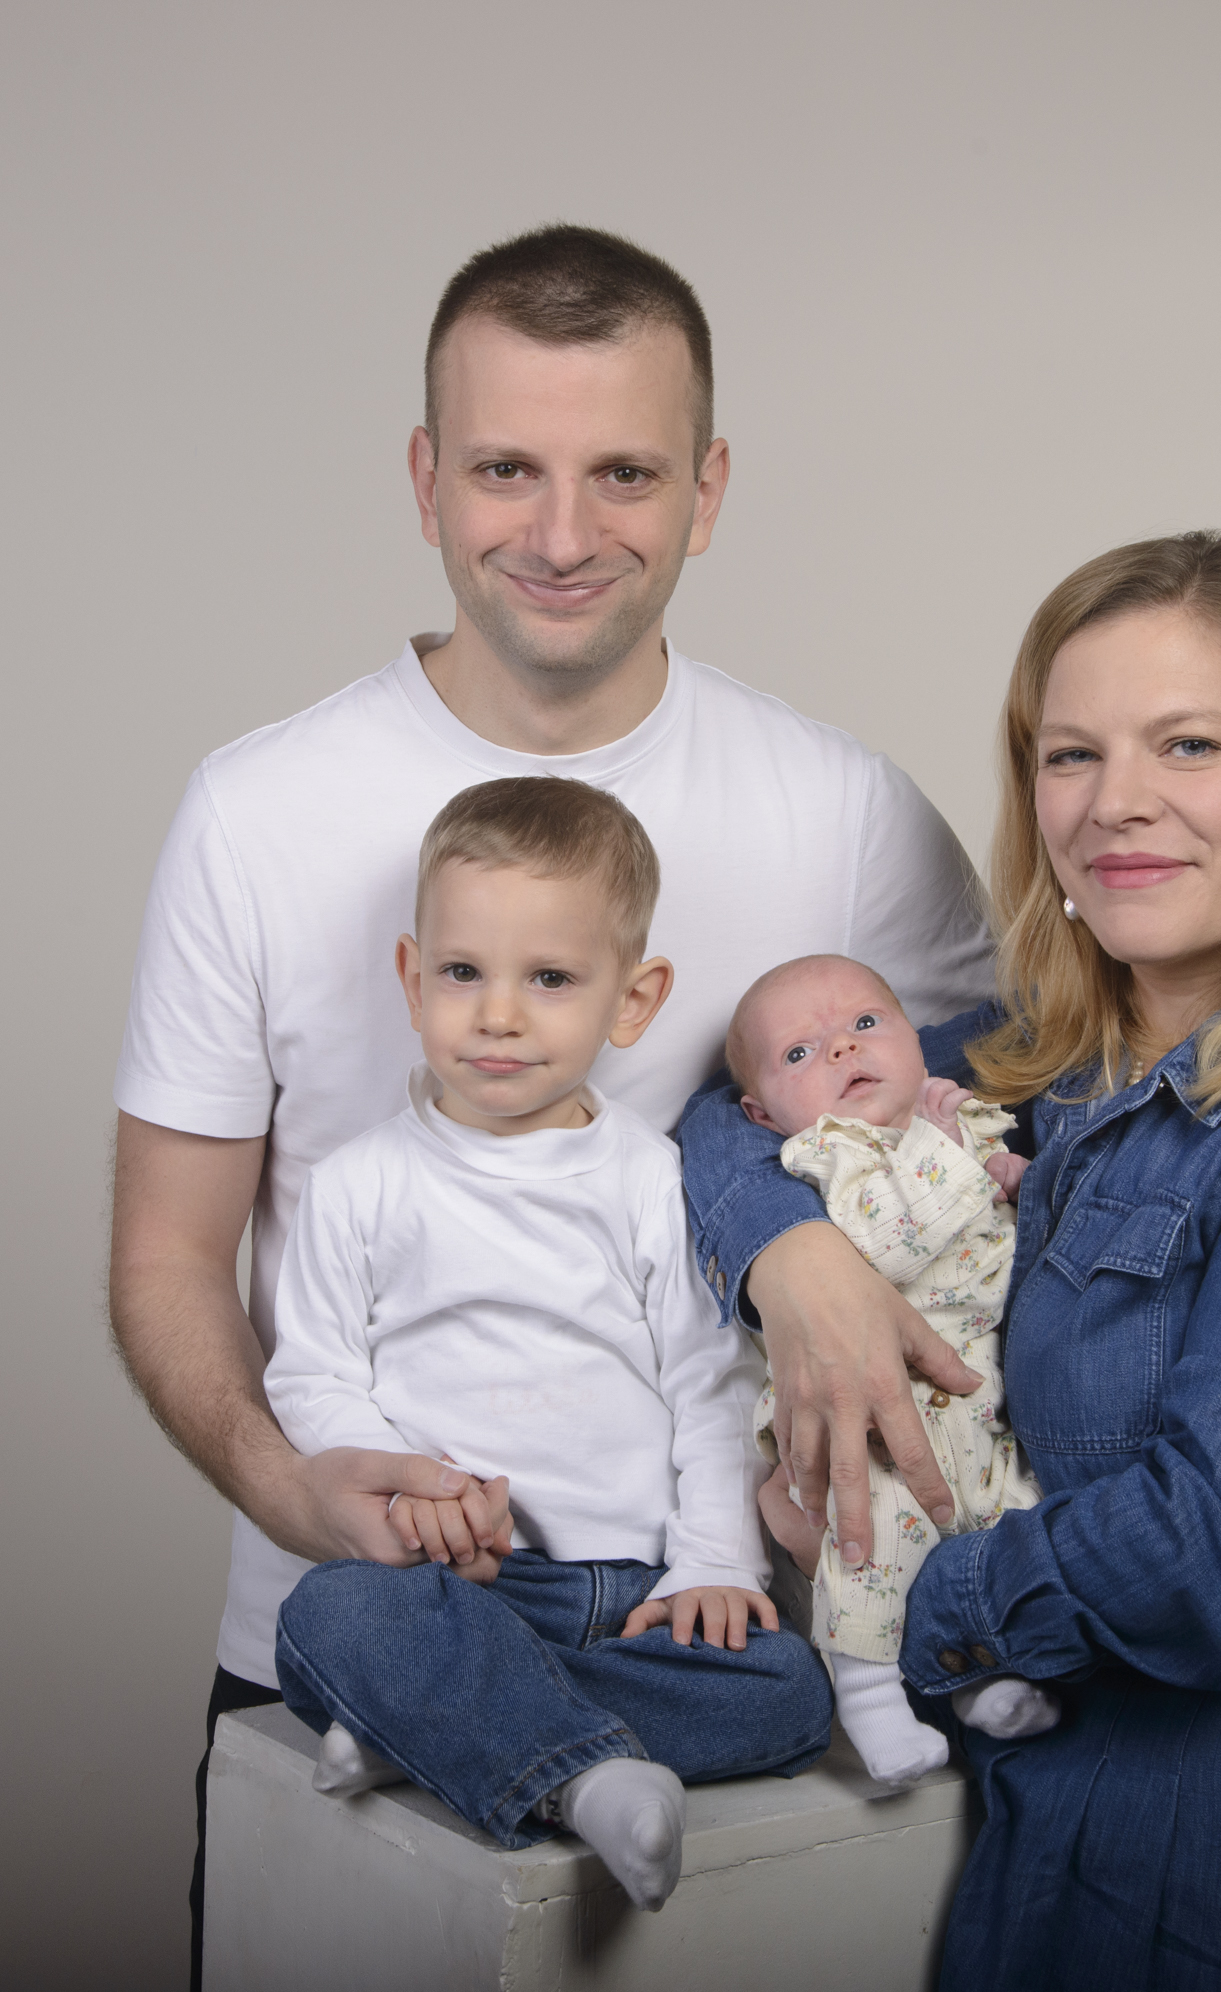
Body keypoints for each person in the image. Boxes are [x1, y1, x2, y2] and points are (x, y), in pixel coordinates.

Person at [107, 222, 991, 1990]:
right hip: (345, 1634)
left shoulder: (840, 812)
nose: (565, 535)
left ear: (710, 487)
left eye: (626, 473)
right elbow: (166, 1259)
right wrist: (305, 1501)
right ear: (428, 478)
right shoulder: (260, 809)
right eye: (508, 467)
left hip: (696, 1603)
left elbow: (1036, 1133)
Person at [680, 532, 1221, 1992]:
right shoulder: (1046, 1068)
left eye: (1190, 744)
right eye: (1070, 754)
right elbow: (724, 1115)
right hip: (1043, 1820)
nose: (1118, 804)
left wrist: (921, 1608)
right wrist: (795, 1263)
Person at [261, 777, 833, 1912]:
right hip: (460, 1584)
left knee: (791, 1694)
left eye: (552, 979)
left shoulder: (643, 1178)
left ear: (633, 998)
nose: (499, 1014)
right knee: (324, 1617)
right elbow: (313, 1373)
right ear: (411, 976)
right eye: (463, 972)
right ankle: (585, 1774)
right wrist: (416, 1488)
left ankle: (448, 1725)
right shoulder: (363, 1183)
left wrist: (714, 1561)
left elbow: (710, 1383)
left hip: (631, 1597)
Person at [724, 953, 1057, 1787]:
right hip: (873, 1408)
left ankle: (977, 1677)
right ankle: (868, 1697)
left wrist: (1010, 1178)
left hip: (977, 1399)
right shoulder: (827, 1155)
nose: (840, 1050)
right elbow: (886, 1243)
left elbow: (1007, 1232)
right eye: (801, 1053)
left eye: (865, 1025)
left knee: (1000, 1520)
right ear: (763, 1115)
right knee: (870, 1538)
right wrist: (948, 1155)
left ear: (917, 1041)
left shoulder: (965, 1120)